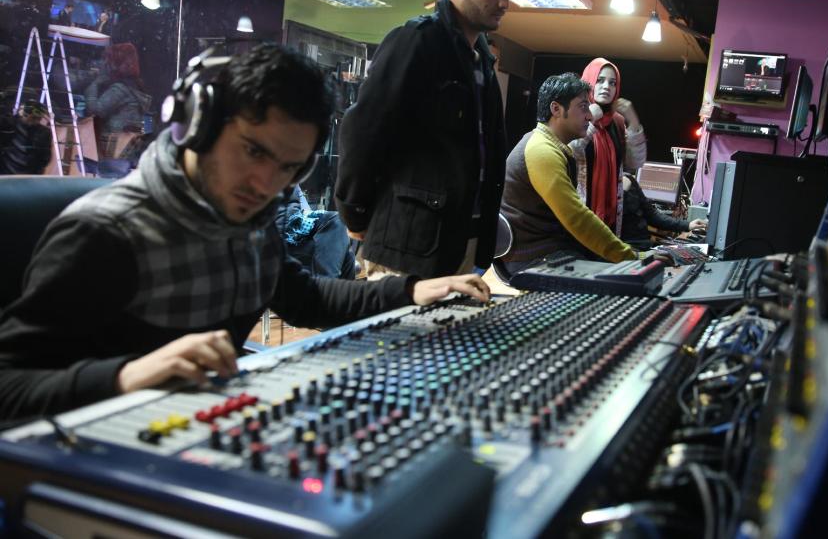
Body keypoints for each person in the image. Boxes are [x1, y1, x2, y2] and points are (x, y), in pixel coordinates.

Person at [0, 44, 490, 421]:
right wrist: (126, 376)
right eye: (254, 152)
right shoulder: (106, 233)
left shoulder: (247, 222)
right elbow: (10, 385)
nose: (267, 184)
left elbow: (306, 298)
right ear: (198, 124)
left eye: (289, 168)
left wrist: (410, 290)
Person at [335, 0, 513, 279]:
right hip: (408, 245)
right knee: (395, 333)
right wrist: (353, 213)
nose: (504, 3)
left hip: (465, 242)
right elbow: (364, 129)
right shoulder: (417, 40)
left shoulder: (485, 61)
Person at [499, 73, 640, 276]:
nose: (590, 116)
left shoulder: (550, 145)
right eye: (583, 107)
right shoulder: (541, 150)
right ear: (556, 109)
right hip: (532, 261)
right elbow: (576, 218)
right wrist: (632, 258)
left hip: (551, 254)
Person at [571, 58, 648, 240]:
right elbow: (569, 151)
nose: (606, 87)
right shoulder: (573, 114)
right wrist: (591, 119)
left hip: (611, 219)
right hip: (579, 214)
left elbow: (636, 162)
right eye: (600, 80)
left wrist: (634, 121)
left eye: (612, 83)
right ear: (588, 82)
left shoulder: (617, 121)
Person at [84, 43, 152, 177]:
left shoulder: (120, 89)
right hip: (127, 147)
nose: (103, 64)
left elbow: (95, 110)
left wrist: (94, 85)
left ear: (115, 63)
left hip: (113, 147)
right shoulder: (135, 86)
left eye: (107, 60)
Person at [275, 185, 356, 280]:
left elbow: (304, 207)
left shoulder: (290, 180)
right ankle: (325, 287)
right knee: (336, 221)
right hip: (282, 227)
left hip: (296, 219)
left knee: (346, 247)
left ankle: (333, 289)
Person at [620, 173, 707, 249]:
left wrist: (688, 225)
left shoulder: (628, 179)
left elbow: (652, 215)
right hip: (625, 251)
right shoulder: (612, 187)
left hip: (644, 246)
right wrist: (622, 192)